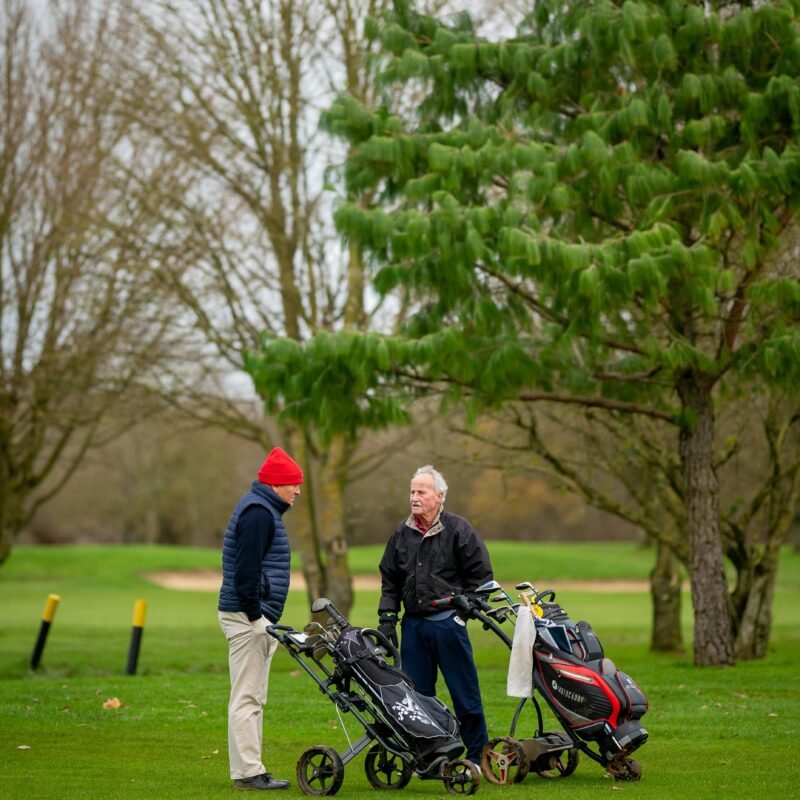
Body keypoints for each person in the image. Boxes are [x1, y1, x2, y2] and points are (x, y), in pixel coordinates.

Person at [377, 464, 493, 765]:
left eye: (421, 492)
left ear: (439, 496)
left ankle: (478, 758)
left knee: (465, 696)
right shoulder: (401, 534)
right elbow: (390, 580)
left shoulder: (459, 529)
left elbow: (481, 580)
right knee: (416, 699)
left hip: (448, 626)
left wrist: (461, 615)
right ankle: (427, 756)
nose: (414, 497)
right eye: (412, 491)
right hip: (413, 627)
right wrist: (387, 620)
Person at [217, 446, 303, 791]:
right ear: (276, 485)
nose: (297, 491)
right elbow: (245, 571)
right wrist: (257, 616)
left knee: (254, 697)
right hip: (247, 616)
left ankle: (252, 769)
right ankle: (248, 774)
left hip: (253, 615)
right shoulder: (258, 513)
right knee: (247, 697)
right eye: (293, 484)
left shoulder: (265, 510)